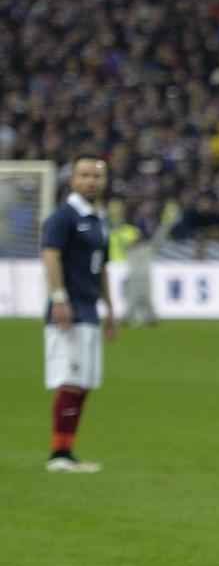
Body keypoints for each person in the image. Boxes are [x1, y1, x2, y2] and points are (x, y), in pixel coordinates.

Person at [41, 154, 117, 473]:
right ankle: (59, 455)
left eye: (96, 176)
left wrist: (109, 308)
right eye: (84, 175)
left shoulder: (99, 220)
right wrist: (59, 299)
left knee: (83, 383)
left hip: (89, 310)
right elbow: (51, 256)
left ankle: (67, 452)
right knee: (70, 381)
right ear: (72, 180)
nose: (91, 181)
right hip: (69, 311)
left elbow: (102, 268)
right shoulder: (63, 217)